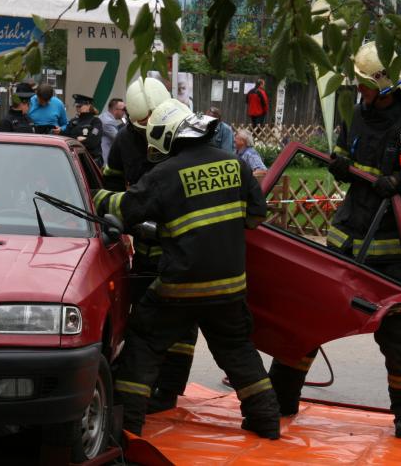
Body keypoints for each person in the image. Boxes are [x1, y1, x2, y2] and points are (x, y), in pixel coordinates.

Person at [268, 41, 401, 440]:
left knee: (395, 334)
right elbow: (339, 153)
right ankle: (280, 398)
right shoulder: (356, 114)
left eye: (365, 85)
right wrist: (341, 167)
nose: (359, 92)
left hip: (392, 250)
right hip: (346, 241)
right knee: (309, 319)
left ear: (384, 86)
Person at [92, 99, 280, 439]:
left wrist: (95, 196)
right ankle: (266, 420)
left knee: (144, 344)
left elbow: (127, 209)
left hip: (180, 285)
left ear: (165, 136)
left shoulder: (164, 174)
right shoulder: (234, 164)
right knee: (238, 350)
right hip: (230, 286)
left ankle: (127, 429)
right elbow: (255, 217)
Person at [103, 78, 198, 415]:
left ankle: (169, 390)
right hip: (145, 245)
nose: (147, 130)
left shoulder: (186, 134)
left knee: (183, 324)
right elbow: (111, 181)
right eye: (139, 124)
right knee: (144, 318)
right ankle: (138, 392)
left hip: (182, 243)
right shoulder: (125, 140)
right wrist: (121, 214)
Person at [66, 94, 103, 166]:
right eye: (76, 106)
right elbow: (67, 139)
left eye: (80, 106)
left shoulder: (96, 121)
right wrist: (78, 139)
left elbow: (92, 142)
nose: (78, 108)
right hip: (75, 160)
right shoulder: (73, 121)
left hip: (91, 160)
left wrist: (75, 141)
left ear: (88, 106)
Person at [98, 98, 125, 166]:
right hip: (105, 159)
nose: (124, 112)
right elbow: (119, 139)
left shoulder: (104, 116)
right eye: (123, 110)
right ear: (115, 110)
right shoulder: (108, 122)